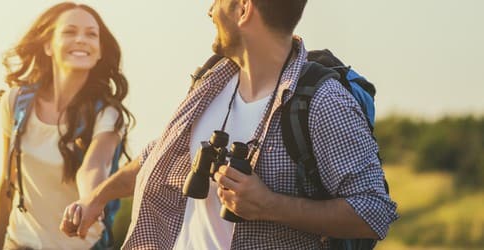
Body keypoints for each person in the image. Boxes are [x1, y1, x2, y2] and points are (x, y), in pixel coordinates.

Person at [61, 0, 398, 249]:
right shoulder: (209, 82)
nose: (209, 11)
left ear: (243, 9)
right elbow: (157, 156)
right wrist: (97, 198)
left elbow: (374, 211)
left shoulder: (324, 101)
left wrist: (269, 205)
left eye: (218, 2)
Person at [0, 2, 134, 249]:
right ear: (47, 45)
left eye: (91, 34)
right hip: (21, 242)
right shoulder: (15, 102)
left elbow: (93, 167)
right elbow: (6, 183)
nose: (81, 39)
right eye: (69, 32)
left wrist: (89, 200)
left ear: (99, 51)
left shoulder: (107, 114)